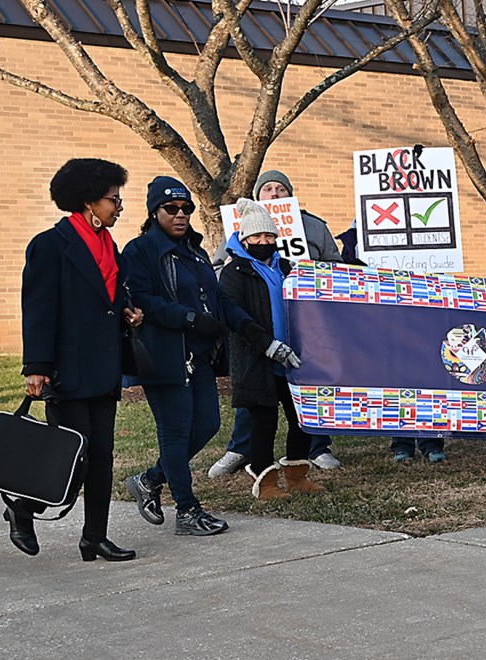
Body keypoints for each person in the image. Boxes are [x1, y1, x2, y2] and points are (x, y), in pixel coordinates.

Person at [11, 158, 142, 561]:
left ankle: (94, 537)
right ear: (88, 202)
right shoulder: (50, 245)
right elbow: (39, 309)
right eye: (112, 200)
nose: (119, 207)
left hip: (102, 367)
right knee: (75, 454)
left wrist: (127, 309)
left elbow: (107, 297)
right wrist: (37, 367)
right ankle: (23, 507)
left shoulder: (109, 246)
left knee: (102, 455)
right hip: (67, 369)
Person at [122, 177, 265, 536]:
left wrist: (246, 326)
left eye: (187, 208)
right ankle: (186, 511)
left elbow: (218, 298)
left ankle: (150, 480)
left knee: (207, 426)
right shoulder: (140, 251)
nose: (181, 214)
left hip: (198, 356)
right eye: (172, 209)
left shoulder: (197, 252)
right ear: (155, 212)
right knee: (175, 431)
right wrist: (189, 318)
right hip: (163, 355)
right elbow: (143, 299)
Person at [208, 169, 344, 478]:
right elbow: (225, 297)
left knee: (302, 411)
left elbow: (333, 271)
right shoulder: (236, 264)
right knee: (261, 417)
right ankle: (253, 461)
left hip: (296, 350)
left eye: (280, 188)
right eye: (267, 188)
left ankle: (310, 456)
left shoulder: (297, 250)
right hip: (256, 352)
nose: (263, 241)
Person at [220, 199, 326, 498]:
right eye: (257, 237)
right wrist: (267, 345)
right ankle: (265, 483)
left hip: (292, 358)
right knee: (263, 422)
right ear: (245, 238)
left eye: (269, 237)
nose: (264, 242)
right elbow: (236, 317)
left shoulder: (287, 268)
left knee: (301, 418)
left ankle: (296, 475)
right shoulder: (234, 272)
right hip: (257, 359)